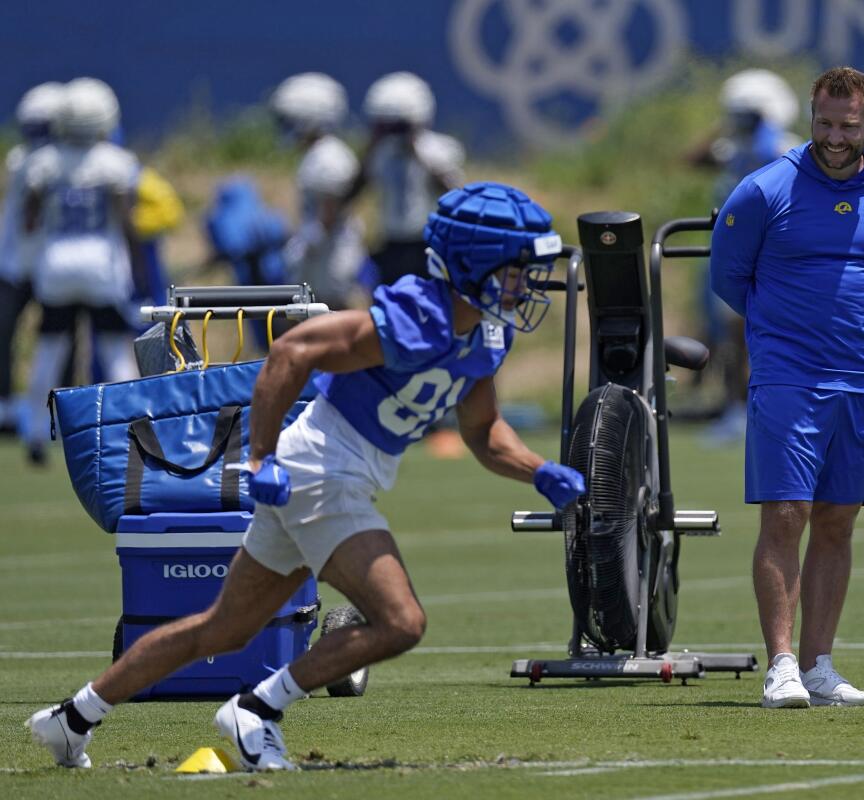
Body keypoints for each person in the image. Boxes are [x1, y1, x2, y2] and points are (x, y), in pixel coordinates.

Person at [26, 181, 586, 770]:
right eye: (517, 270)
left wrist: (539, 470)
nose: (526, 284)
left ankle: (73, 718)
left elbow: (484, 431)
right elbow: (292, 351)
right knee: (401, 621)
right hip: (321, 471)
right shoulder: (416, 317)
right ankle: (258, 709)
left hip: (331, 474)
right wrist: (260, 456)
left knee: (223, 630)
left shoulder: (485, 334)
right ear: (474, 265)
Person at [710, 67, 864, 709]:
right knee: (785, 515)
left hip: (862, 383)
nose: (834, 136)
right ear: (811, 117)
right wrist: (786, 332)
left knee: (837, 521)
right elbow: (728, 278)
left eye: (848, 126)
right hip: (787, 379)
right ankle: (781, 667)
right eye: (824, 123)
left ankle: (820, 666)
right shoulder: (763, 189)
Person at [20, 77, 143, 465]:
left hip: (56, 262)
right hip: (101, 262)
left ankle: (36, 432)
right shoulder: (116, 163)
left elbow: (30, 218)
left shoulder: (42, 161)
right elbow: (127, 219)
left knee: (49, 350)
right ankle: (134, 429)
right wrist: (138, 265)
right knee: (114, 349)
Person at [686, 69, 799, 444]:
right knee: (736, 337)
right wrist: (725, 127)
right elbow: (693, 160)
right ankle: (739, 410)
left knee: (786, 338)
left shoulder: (786, 147)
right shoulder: (736, 149)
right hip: (740, 254)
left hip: (776, 256)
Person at [271, 72, 367, 315]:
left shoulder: (329, 157)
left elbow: (330, 210)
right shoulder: (318, 154)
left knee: (330, 314)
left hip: (331, 255)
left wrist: (305, 244)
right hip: (323, 254)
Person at [0, 81, 66, 434]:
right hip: (18, 262)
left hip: (49, 264)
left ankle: (64, 406)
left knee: (58, 338)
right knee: (8, 333)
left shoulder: (58, 163)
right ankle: (7, 408)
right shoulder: (23, 161)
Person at [358, 72, 465, 288]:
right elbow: (357, 186)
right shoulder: (382, 152)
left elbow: (453, 192)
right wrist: (373, 144)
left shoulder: (439, 148)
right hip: (391, 242)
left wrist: (416, 150)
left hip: (428, 243)